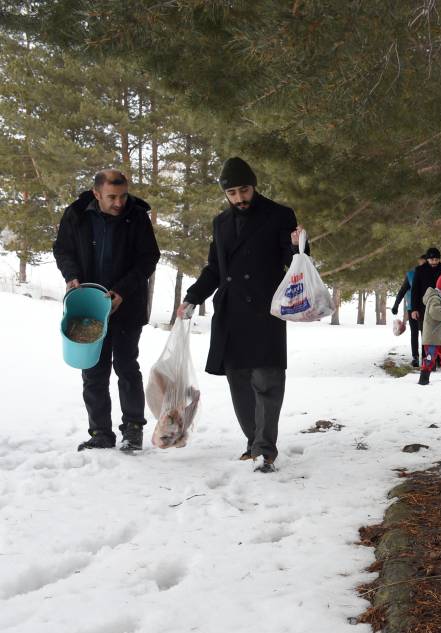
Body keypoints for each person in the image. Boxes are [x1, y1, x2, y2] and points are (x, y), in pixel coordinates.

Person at [178, 157, 303, 473]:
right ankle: (252, 443)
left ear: (254, 186)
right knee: (239, 382)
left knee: (267, 380)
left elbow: (294, 262)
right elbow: (215, 268)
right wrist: (192, 297)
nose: (239, 198)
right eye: (232, 193)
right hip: (231, 311)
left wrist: (298, 245)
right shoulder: (220, 223)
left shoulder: (279, 215)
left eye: (244, 190)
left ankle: (265, 449)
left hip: (265, 310)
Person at [53, 169, 161, 452]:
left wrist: (122, 291)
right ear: (96, 193)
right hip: (87, 305)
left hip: (127, 303)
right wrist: (71, 276)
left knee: (126, 366)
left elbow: (149, 258)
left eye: (123, 196)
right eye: (112, 197)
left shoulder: (137, 216)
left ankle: (133, 428)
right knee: (93, 370)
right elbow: (63, 249)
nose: (119, 202)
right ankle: (100, 432)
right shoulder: (76, 214)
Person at [391, 254, 427, 367]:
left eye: (425, 262)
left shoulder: (431, 274)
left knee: (425, 333)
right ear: (419, 262)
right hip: (412, 308)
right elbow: (402, 291)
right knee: (414, 333)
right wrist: (396, 305)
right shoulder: (411, 275)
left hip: (427, 309)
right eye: (421, 262)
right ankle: (415, 357)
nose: (423, 264)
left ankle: (426, 357)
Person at [409, 246, 441, 326]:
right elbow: (415, 290)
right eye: (432, 260)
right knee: (425, 330)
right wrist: (414, 309)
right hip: (423, 307)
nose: (434, 262)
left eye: (436, 260)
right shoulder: (420, 270)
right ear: (427, 259)